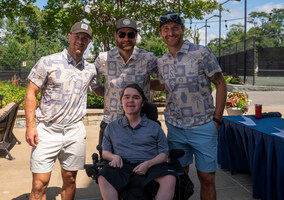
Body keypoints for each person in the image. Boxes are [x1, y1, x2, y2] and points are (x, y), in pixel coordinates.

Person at [157, 12, 227, 200]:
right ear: (160, 34)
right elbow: (163, 85)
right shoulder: (161, 61)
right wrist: (135, 81)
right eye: (165, 29)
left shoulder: (201, 52)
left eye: (174, 28)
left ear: (182, 30)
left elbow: (220, 84)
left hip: (203, 126)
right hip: (175, 128)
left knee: (206, 178)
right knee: (179, 178)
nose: (170, 33)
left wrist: (217, 120)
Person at [25, 21, 96, 200]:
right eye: (77, 37)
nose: (80, 41)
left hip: (74, 131)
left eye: (85, 38)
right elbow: (31, 93)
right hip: (47, 131)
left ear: (88, 43)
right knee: (39, 185)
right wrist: (30, 126)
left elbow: (101, 91)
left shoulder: (90, 69)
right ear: (69, 37)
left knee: (71, 180)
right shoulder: (48, 62)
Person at [97, 83, 176, 200]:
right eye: (127, 97)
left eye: (136, 97)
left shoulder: (154, 127)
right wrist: (114, 157)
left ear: (142, 103)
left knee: (170, 178)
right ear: (122, 102)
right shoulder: (112, 127)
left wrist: (148, 164)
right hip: (122, 165)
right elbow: (105, 152)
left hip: (150, 165)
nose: (131, 101)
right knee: (103, 176)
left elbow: (164, 155)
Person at [92, 17, 158, 148]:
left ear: (136, 36)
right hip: (111, 123)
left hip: (141, 125)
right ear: (116, 36)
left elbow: (162, 81)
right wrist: (109, 94)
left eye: (130, 34)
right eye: (122, 34)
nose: (126, 38)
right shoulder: (104, 58)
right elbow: (94, 83)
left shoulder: (148, 58)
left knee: (142, 165)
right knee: (108, 165)